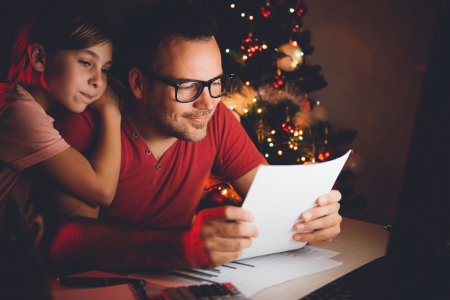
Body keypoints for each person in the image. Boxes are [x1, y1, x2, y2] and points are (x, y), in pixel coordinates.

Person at [48, 2, 342, 272]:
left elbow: (275, 202)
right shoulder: (85, 124)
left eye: (215, 83)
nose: (208, 103)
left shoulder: (215, 117)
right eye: (187, 86)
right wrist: (179, 248)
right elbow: (67, 242)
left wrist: (312, 220)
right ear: (139, 83)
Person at [0, 6, 122, 210]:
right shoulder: (20, 112)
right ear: (40, 58)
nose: (99, 81)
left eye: (105, 70)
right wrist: (111, 111)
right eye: (85, 62)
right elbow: (102, 192)